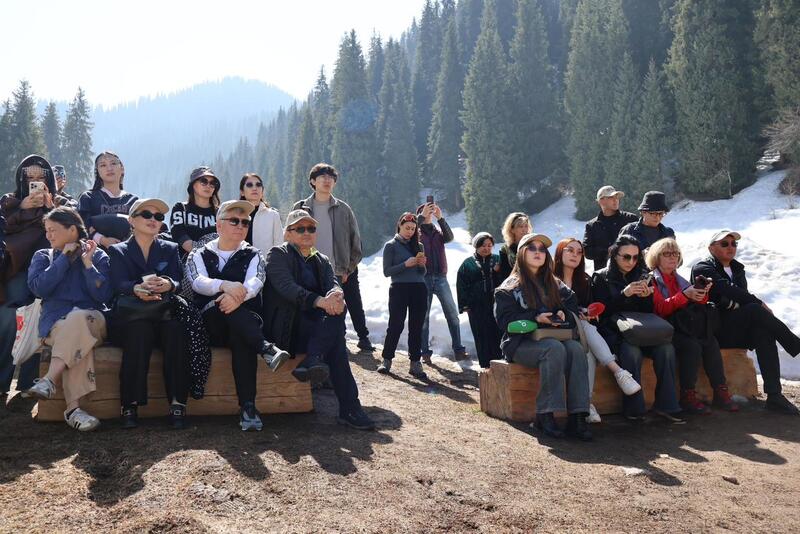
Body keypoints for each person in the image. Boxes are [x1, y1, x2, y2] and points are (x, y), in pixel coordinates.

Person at [263, 209, 375, 430]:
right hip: (287, 330)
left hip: (316, 331)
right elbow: (287, 288)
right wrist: (320, 301)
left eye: (311, 228)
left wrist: (336, 295)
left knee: (338, 318)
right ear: (287, 233)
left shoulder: (321, 259)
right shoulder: (277, 255)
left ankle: (314, 359)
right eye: (300, 229)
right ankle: (350, 408)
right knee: (335, 339)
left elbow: (333, 283)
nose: (307, 232)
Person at [186, 200, 290, 431]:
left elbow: (256, 280)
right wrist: (225, 286)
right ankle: (266, 348)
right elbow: (197, 281)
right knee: (223, 308)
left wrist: (237, 298)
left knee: (241, 338)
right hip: (211, 323)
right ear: (219, 225)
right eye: (234, 221)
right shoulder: (199, 253)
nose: (241, 226)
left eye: (245, 222)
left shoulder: (254, 254)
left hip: (243, 324)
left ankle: (248, 407)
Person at [494, 233, 592, 440]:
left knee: (576, 349)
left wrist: (563, 314)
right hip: (520, 344)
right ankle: (545, 415)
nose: (538, 252)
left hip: (554, 339)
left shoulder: (555, 283)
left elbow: (571, 305)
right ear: (521, 253)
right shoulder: (508, 287)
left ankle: (578, 416)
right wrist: (536, 318)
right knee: (553, 348)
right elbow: (505, 323)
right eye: (532, 248)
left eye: (542, 249)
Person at [692, 230, 800, 414]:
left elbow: (738, 298)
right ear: (711, 248)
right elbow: (729, 292)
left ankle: (774, 396)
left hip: (735, 327)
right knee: (754, 309)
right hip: (713, 330)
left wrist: (738, 302)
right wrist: (755, 302)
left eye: (733, 244)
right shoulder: (702, 267)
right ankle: (794, 344)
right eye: (724, 244)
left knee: (763, 331)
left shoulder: (737, 269)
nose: (731, 247)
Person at [24, 207, 112, 431]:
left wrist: (88, 264)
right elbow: (39, 289)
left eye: (53, 230)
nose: (48, 235)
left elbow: (103, 294)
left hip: (93, 321)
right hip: (56, 325)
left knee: (79, 319)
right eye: (46, 230)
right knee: (77, 335)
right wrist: (63, 259)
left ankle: (49, 380)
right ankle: (73, 411)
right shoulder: (43, 256)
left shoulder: (98, 255)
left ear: (72, 229)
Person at [108, 198, 190, 429]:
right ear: (132, 221)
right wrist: (135, 288)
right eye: (147, 215)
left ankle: (178, 403)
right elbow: (116, 283)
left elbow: (178, 279)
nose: (153, 220)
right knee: (139, 331)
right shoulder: (118, 250)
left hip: (162, 312)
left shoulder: (170, 248)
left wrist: (168, 284)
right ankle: (130, 405)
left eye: (159, 217)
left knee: (176, 331)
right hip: (132, 316)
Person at [592, 234, 683, 423]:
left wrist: (646, 297)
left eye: (635, 257)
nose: (631, 262)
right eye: (626, 257)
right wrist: (624, 294)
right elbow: (601, 313)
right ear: (614, 255)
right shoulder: (601, 277)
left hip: (643, 331)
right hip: (616, 333)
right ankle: (634, 408)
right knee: (631, 352)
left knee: (666, 349)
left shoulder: (643, 275)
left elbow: (648, 312)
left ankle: (667, 406)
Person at [0, 154, 68, 398]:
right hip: (16, 270)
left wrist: (51, 209)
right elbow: (3, 227)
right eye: (29, 177)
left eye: (41, 176)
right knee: (9, 318)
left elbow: (72, 231)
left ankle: (28, 382)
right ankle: (2, 381)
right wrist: (22, 207)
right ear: (21, 179)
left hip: (49, 270)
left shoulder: (61, 203)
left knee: (40, 319)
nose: (35, 181)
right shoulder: (9, 201)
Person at [553, 238, 641, 423]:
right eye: (570, 250)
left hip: (581, 335)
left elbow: (590, 307)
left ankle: (586, 403)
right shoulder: (549, 278)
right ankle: (618, 371)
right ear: (560, 253)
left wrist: (588, 313)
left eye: (579, 252)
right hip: (557, 330)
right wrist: (576, 314)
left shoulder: (584, 280)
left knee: (589, 354)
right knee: (585, 327)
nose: (575, 255)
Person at [646, 237, 738, 414]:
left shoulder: (679, 279)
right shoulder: (652, 280)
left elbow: (694, 306)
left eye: (675, 254)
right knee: (692, 346)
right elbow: (660, 309)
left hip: (683, 326)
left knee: (710, 341)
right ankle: (687, 395)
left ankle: (720, 390)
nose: (673, 257)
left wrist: (702, 293)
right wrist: (684, 295)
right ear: (656, 257)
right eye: (667, 254)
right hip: (664, 329)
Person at [292, 163, 373, 352]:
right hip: (312, 268)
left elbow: (355, 241)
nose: (327, 180)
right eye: (322, 177)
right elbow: (292, 237)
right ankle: (336, 342)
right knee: (320, 305)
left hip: (342, 267)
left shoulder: (343, 208)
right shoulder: (301, 208)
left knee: (352, 302)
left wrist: (349, 268)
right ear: (313, 181)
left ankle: (363, 337)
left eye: (331, 177)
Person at [377, 212, 428, 379]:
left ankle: (415, 362)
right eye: (407, 228)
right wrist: (405, 264)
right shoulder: (390, 246)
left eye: (413, 229)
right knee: (396, 324)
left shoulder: (419, 246)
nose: (410, 232)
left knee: (416, 326)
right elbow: (387, 271)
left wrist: (421, 264)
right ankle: (386, 359)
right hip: (399, 288)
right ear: (399, 225)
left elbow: (422, 273)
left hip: (419, 288)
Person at [416, 201, 467, 362]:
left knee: (452, 314)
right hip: (423, 278)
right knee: (423, 317)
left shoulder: (437, 232)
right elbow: (409, 236)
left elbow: (450, 237)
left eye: (431, 211)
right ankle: (425, 352)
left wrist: (440, 218)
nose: (429, 213)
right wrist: (421, 216)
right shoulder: (415, 233)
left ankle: (458, 350)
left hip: (441, 278)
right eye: (426, 211)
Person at [456, 232, 502, 368]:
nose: (486, 248)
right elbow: (461, 285)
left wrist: (498, 272)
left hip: (496, 304)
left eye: (489, 245)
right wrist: (464, 305)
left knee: (497, 333)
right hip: (476, 306)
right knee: (481, 334)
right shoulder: (468, 264)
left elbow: (507, 278)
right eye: (483, 245)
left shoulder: (498, 260)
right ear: (476, 246)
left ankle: (499, 365)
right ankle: (485, 366)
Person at [77, 151, 138, 248]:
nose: (109, 168)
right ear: (97, 172)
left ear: (122, 169)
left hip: (128, 252)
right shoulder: (88, 198)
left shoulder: (133, 200)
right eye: (103, 165)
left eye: (113, 163)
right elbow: (81, 225)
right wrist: (102, 240)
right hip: (95, 253)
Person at [582, 185, 638, 270]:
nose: (616, 200)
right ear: (601, 201)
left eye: (617, 197)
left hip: (631, 272)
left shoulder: (631, 219)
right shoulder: (592, 225)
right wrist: (607, 251)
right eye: (611, 197)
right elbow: (587, 251)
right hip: (604, 275)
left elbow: (640, 242)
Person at [170, 166, 221, 257]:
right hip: (185, 260)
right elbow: (179, 234)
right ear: (193, 185)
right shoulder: (181, 208)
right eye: (204, 181)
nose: (208, 186)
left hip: (216, 258)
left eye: (212, 183)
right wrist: (202, 254)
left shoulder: (220, 213)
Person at [240, 173, 282, 255]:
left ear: (262, 191)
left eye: (258, 185)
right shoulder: (234, 215)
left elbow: (279, 246)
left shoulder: (273, 215)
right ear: (242, 192)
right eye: (249, 185)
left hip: (265, 262)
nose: (254, 188)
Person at [498, 212, 532, 282]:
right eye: (520, 226)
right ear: (512, 229)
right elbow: (505, 275)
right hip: (515, 284)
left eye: (526, 226)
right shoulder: (505, 250)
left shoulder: (534, 244)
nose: (524, 229)